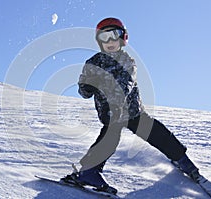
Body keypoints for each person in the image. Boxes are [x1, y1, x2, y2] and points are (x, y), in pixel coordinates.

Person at [61, 17, 200, 194]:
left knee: (158, 134)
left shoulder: (127, 61)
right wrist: (86, 87)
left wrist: (109, 91)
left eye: (114, 35)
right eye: (104, 37)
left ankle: (182, 160)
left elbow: (126, 83)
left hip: (133, 112)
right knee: (109, 138)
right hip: (110, 115)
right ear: (99, 41)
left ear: (123, 37)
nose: (110, 41)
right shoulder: (92, 63)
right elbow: (84, 92)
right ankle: (88, 172)